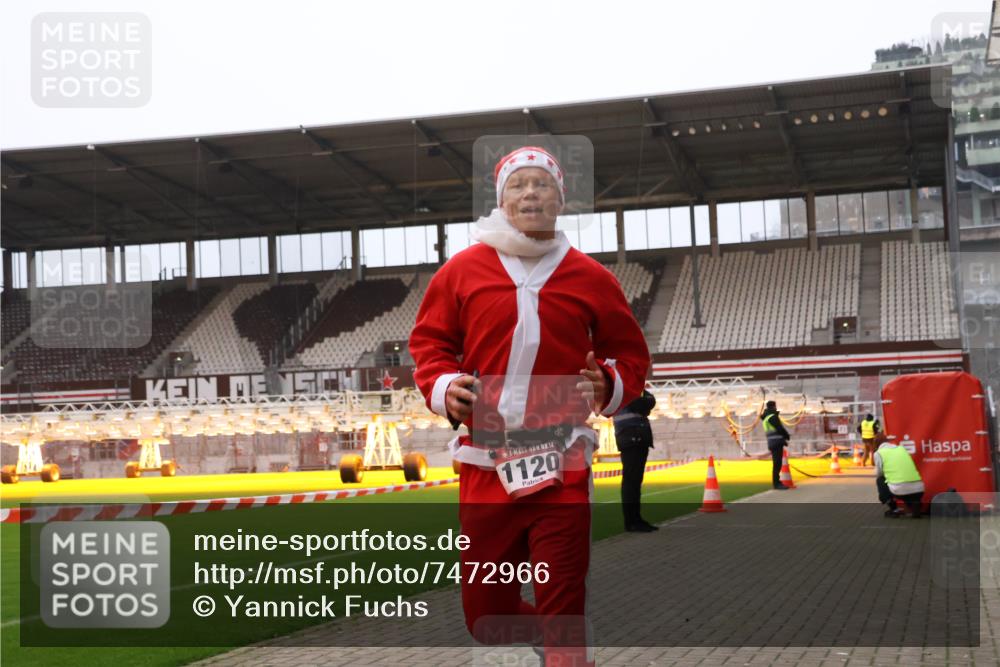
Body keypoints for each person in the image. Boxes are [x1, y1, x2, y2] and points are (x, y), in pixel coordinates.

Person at [409, 145, 650, 665]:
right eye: (518, 185)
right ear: (502, 200)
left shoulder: (591, 277)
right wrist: (443, 385)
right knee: (485, 616)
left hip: (562, 463)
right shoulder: (461, 271)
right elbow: (428, 346)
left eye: (542, 183)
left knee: (564, 599)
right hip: (484, 466)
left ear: (560, 199)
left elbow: (631, 355)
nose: (530, 193)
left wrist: (609, 384)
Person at [613, 387, 658, 532]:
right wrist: (645, 404)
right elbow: (641, 404)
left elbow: (650, 402)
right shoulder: (624, 388)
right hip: (631, 436)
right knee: (631, 481)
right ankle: (631, 521)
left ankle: (636, 518)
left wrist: (646, 403)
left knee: (635, 481)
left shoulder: (634, 388)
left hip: (636, 435)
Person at [874, 438, 925, 518]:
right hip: (919, 489)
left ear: (877, 445)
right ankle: (915, 506)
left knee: (880, 480)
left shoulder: (878, 453)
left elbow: (879, 473)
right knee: (906, 486)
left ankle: (894, 509)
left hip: (899, 490)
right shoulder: (901, 449)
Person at [760, 400, 790, 490]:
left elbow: (775, 431)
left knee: (777, 463)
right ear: (773, 406)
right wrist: (786, 436)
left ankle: (777, 482)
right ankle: (776, 483)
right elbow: (779, 429)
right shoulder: (772, 417)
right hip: (776, 443)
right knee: (777, 463)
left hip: (773, 442)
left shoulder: (766, 418)